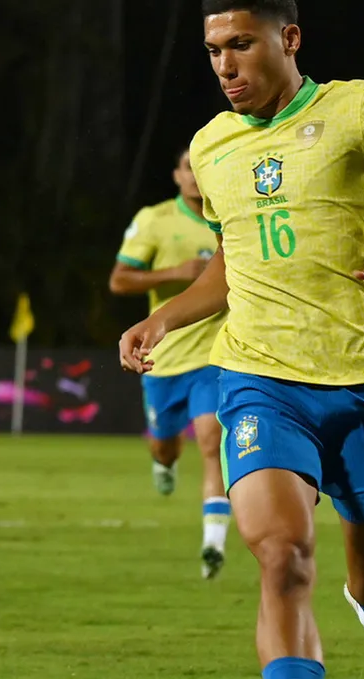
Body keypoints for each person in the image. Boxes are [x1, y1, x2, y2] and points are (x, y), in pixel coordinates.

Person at [120, 1, 364, 676]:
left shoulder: (358, 110)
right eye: (214, 50)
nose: (224, 65)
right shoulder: (211, 145)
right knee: (282, 556)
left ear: (289, 38)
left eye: (241, 43)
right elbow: (231, 260)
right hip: (261, 379)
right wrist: (165, 315)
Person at [109, 148, 230, 579]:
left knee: (212, 442)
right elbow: (119, 280)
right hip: (164, 358)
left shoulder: (232, 214)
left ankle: (213, 542)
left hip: (214, 355)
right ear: (176, 176)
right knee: (164, 443)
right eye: (186, 168)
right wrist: (176, 273)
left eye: (200, 168)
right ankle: (164, 462)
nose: (195, 175)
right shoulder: (155, 219)